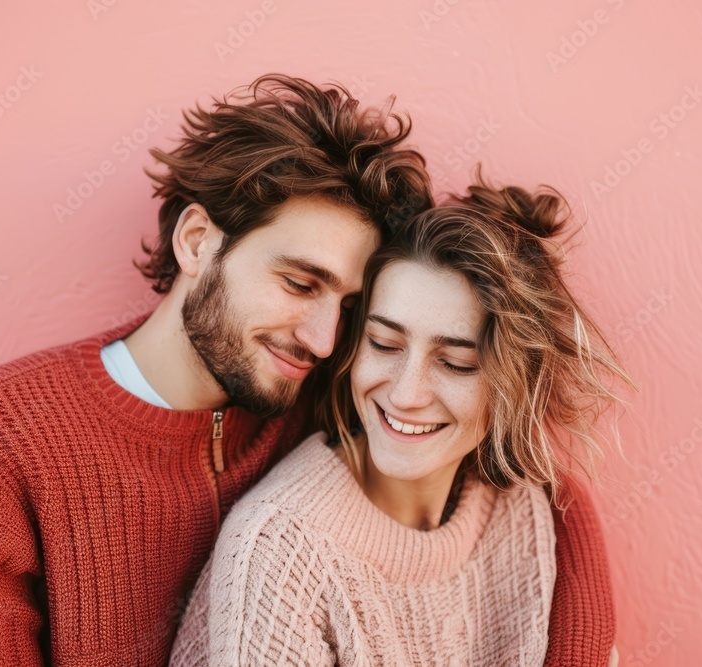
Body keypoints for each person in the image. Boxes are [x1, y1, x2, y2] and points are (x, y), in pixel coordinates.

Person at [0, 74, 433, 666]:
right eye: (299, 282)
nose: (324, 339)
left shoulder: (332, 411)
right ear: (198, 240)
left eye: (350, 307)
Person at [169, 173, 635, 666]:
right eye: (384, 345)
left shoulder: (540, 508)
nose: (405, 394)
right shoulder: (280, 553)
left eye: (455, 363)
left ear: (515, 385)